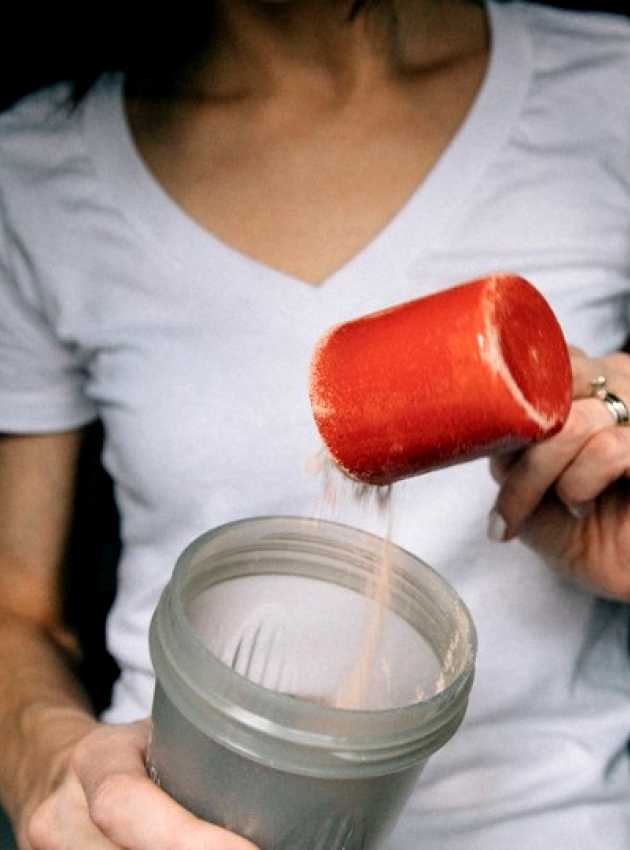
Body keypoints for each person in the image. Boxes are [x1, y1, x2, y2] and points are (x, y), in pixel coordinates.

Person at [0, 1, 629, 848]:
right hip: (181, 816)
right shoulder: (36, 170)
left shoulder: (608, 84)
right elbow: (16, 605)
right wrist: (58, 769)